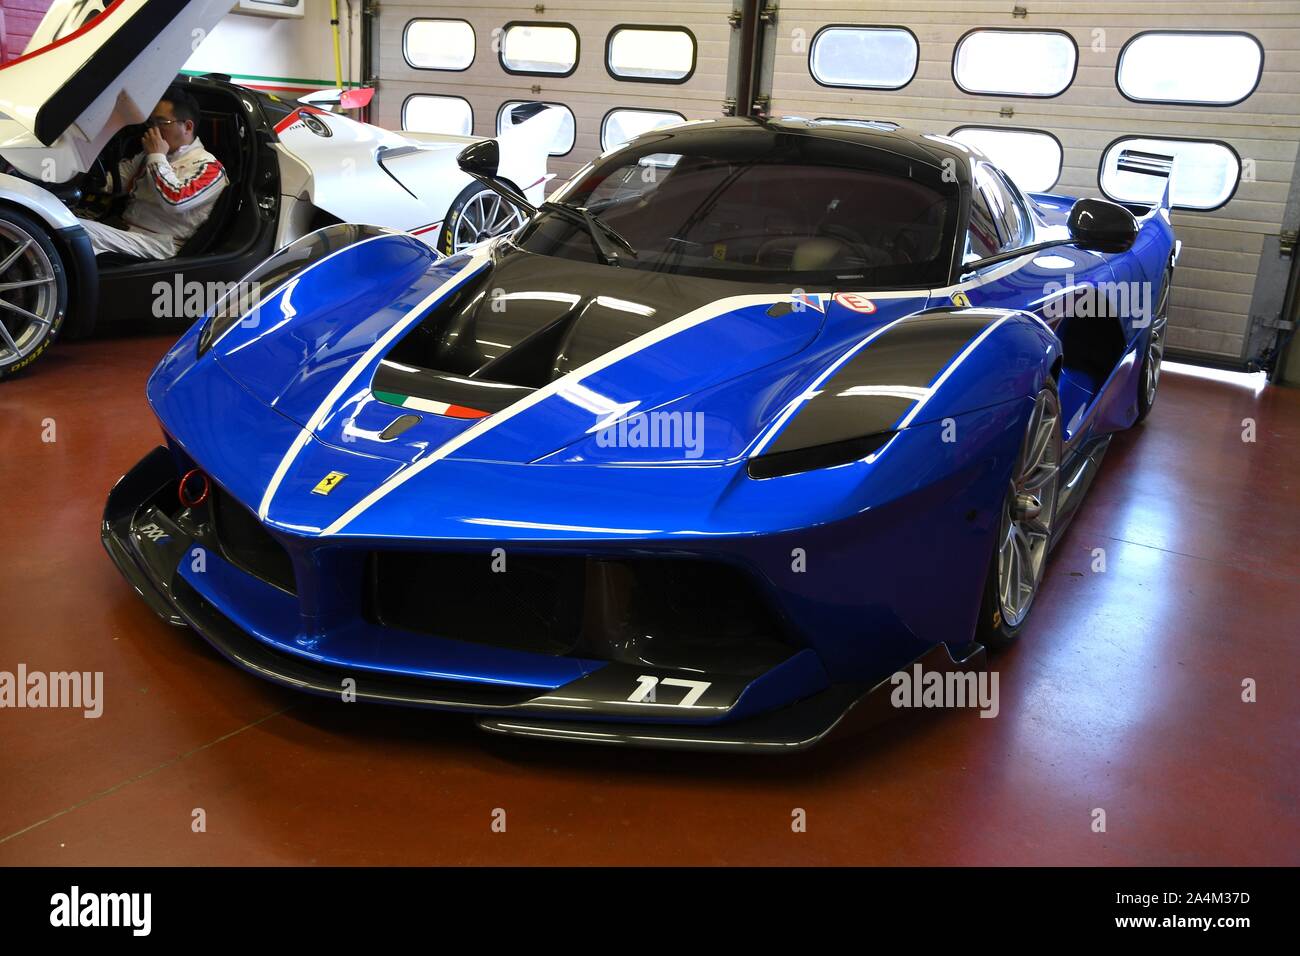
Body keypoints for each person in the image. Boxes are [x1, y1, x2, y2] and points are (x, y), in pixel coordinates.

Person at [77, 85, 228, 259]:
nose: (153, 130)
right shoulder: (149, 155)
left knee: (75, 230)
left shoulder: (210, 168)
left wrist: (156, 156)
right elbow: (115, 181)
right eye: (152, 123)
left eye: (162, 123)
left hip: (160, 244)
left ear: (187, 127)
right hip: (125, 230)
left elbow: (175, 200)